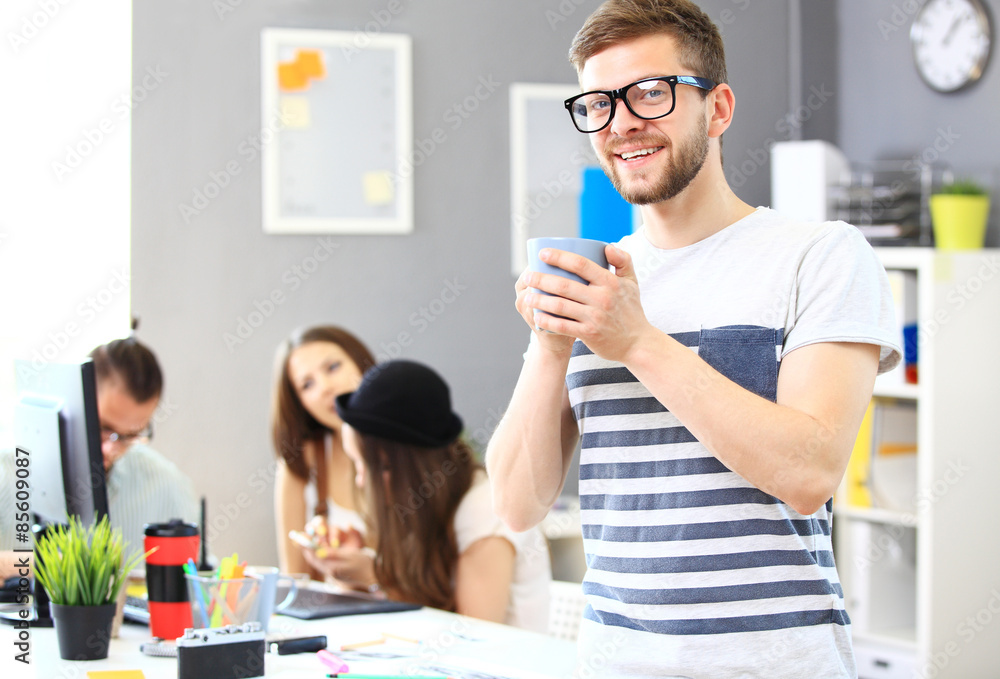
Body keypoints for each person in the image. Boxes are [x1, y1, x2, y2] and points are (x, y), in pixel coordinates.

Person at [486, 1, 901, 676]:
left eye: (651, 92)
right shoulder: (601, 278)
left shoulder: (820, 255)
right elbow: (515, 504)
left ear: (718, 108)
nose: (622, 123)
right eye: (598, 103)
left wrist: (638, 341)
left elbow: (808, 471)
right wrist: (551, 343)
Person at [299, 360, 551, 633]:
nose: (361, 481)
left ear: (409, 468)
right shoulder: (427, 504)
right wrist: (352, 571)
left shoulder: (483, 513)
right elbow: (421, 602)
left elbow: (472, 638)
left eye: (371, 467)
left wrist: (377, 576)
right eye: (355, 464)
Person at [0, 336, 199, 576]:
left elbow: (201, 588)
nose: (109, 449)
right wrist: (25, 565)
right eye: (102, 428)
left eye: (129, 436)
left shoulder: (167, 487)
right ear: (75, 402)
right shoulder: (7, 478)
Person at [270, 325, 376, 580]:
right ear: (299, 403)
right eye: (307, 384)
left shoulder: (408, 449)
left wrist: (373, 573)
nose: (326, 387)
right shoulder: (301, 461)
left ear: (361, 363)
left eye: (333, 367)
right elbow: (294, 578)